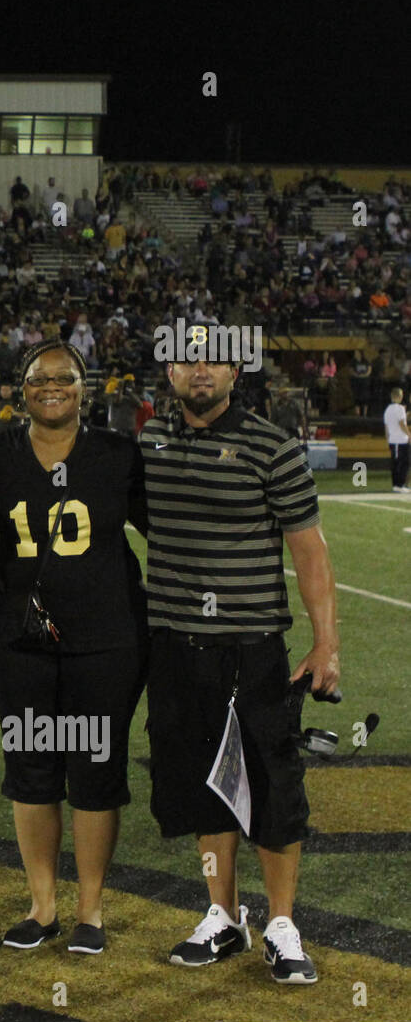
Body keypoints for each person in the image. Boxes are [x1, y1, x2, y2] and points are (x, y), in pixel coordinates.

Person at [141, 356, 339, 984]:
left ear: (235, 373)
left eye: (215, 361)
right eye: (186, 361)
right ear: (168, 373)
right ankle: (222, 914)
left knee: (273, 785)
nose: (200, 372)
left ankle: (282, 924)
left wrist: (325, 645)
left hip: (251, 646)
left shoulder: (272, 446)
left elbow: (308, 548)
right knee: (207, 785)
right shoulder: (149, 441)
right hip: (175, 643)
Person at [0, 341, 147, 954]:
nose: (53, 387)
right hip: (19, 641)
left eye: (65, 377)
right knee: (31, 768)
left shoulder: (119, 455)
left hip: (106, 638)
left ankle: (91, 911)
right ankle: (42, 906)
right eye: (39, 378)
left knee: (96, 770)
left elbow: (169, 528)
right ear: (21, 390)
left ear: (85, 386)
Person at [385, 387, 410, 492]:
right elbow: (402, 424)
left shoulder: (387, 410)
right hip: (400, 440)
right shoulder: (400, 409)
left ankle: (397, 484)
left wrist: (388, 438)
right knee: (402, 463)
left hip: (393, 440)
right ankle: (399, 484)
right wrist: (409, 435)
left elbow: (386, 427)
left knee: (397, 463)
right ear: (399, 396)